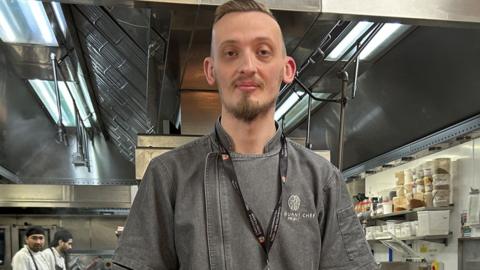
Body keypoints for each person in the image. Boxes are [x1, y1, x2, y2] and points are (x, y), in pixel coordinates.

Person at [113, 0, 377, 269]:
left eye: (263, 52)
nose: (248, 66)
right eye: (230, 53)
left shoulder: (322, 180)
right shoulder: (168, 177)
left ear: (287, 69)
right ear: (210, 70)